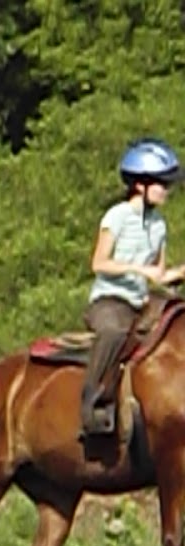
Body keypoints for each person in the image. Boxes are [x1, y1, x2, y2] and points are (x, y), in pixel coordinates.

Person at [81, 138, 185, 438]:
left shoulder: (159, 225)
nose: (166, 190)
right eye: (161, 184)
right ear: (140, 185)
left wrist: (175, 273)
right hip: (110, 300)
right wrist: (139, 269)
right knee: (113, 332)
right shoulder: (117, 216)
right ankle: (93, 404)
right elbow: (99, 263)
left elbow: (160, 274)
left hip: (141, 300)